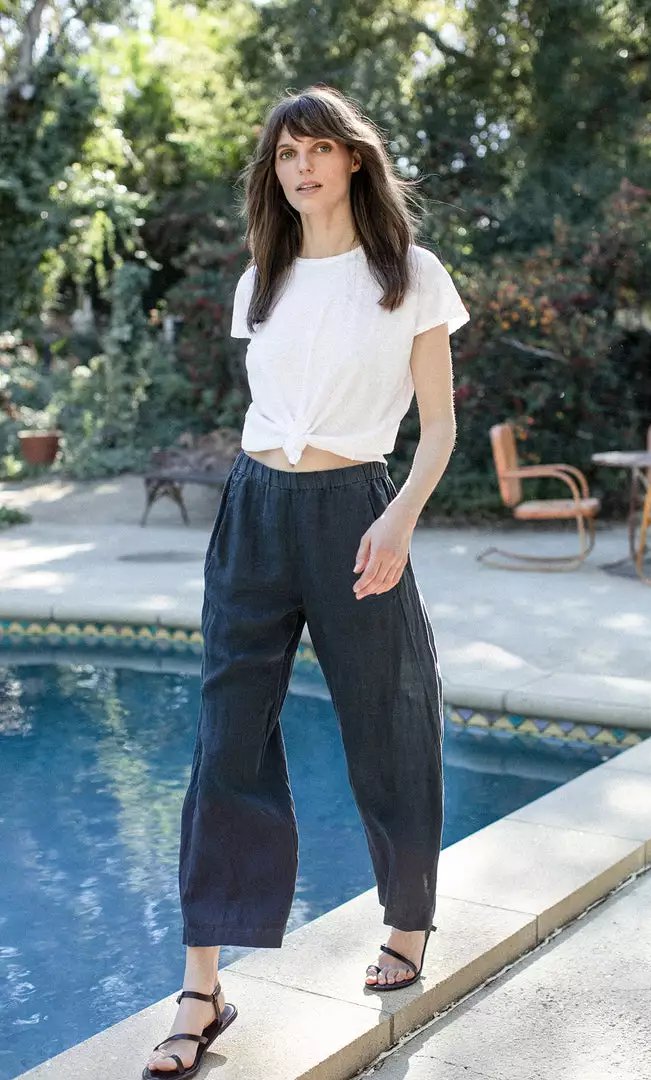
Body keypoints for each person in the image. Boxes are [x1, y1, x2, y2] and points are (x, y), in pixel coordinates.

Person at [143, 84, 469, 1078]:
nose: (301, 167)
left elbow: (439, 427)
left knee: (390, 713)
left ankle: (407, 921)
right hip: (254, 512)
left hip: (354, 510)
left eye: (318, 149)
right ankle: (202, 990)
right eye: (286, 154)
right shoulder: (264, 279)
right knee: (225, 736)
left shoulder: (409, 275)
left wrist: (398, 518)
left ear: (354, 158)